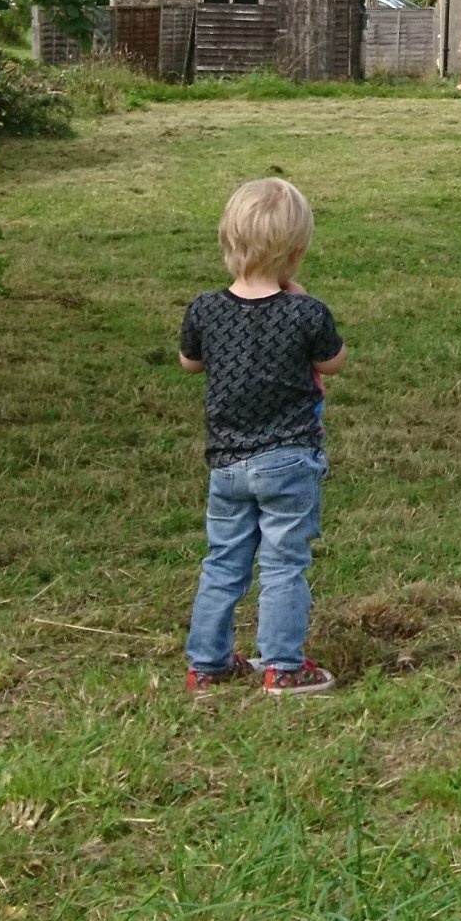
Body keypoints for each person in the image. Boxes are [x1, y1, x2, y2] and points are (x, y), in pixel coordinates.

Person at [174, 177, 344, 696]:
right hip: (289, 460)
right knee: (284, 562)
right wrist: (304, 301)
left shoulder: (205, 309)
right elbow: (332, 362)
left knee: (223, 560)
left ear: (228, 241)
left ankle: (207, 663)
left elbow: (189, 363)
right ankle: (283, 666)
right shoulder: (304, 312)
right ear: (296, 252)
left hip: (226, 463)